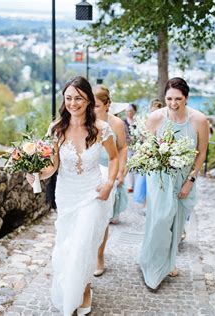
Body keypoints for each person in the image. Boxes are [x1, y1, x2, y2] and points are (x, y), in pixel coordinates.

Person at [26, 76, 119, 315]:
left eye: (78, 98)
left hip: (92, 194)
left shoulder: (101, 128)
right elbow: (53, 166)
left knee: (83, 245)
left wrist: (110, 182)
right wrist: (36, 174)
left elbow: (114, 158)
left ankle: (85, 288)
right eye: (68, 98)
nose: (73, 103)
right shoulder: (56, 129)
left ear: (88, 100)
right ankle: (73, 289)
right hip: (66, 195)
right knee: (67, 246)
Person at [139, 77, 209, 290]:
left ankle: (168, 262)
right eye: (169, 98)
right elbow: (147, 149)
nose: (173, 103)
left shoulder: (199, 120)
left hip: (184, 177)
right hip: (159, 177)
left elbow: (202, 152)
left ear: (186, 98)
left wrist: (191, 180)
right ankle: (152, 265)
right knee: (160, 219)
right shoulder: (155, 118)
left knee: (176, 223)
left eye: (178, 99)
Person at [93, 85, 128, 277]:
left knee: (102, 218)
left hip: (108, 171)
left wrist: (120, 171)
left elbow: (122, 148)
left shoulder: (116, 124)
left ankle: (99, 256)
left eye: (96, 106)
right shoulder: (85, 121)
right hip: (89, 170)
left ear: (107, 105)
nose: (92, 110)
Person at [133, 98, 164, 205]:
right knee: (144, 181)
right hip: (147, 153)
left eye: (157, 111)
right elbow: (142, 137)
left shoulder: (164, 122)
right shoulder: (146, 121)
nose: (154, 113)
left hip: (159, 153)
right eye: (153, 111)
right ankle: (146, 204)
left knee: (155, 181)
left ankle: (154, 204)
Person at [124, 103, 137, 193]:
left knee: (137, 166)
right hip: (128, 147)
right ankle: (130, 185)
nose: (129, 113)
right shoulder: (123, 122)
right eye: (127, 111)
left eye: (130, 111)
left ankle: (137, 184)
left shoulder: (138, 122)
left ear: (134, 111)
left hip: (138, 147)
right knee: (129, 166)